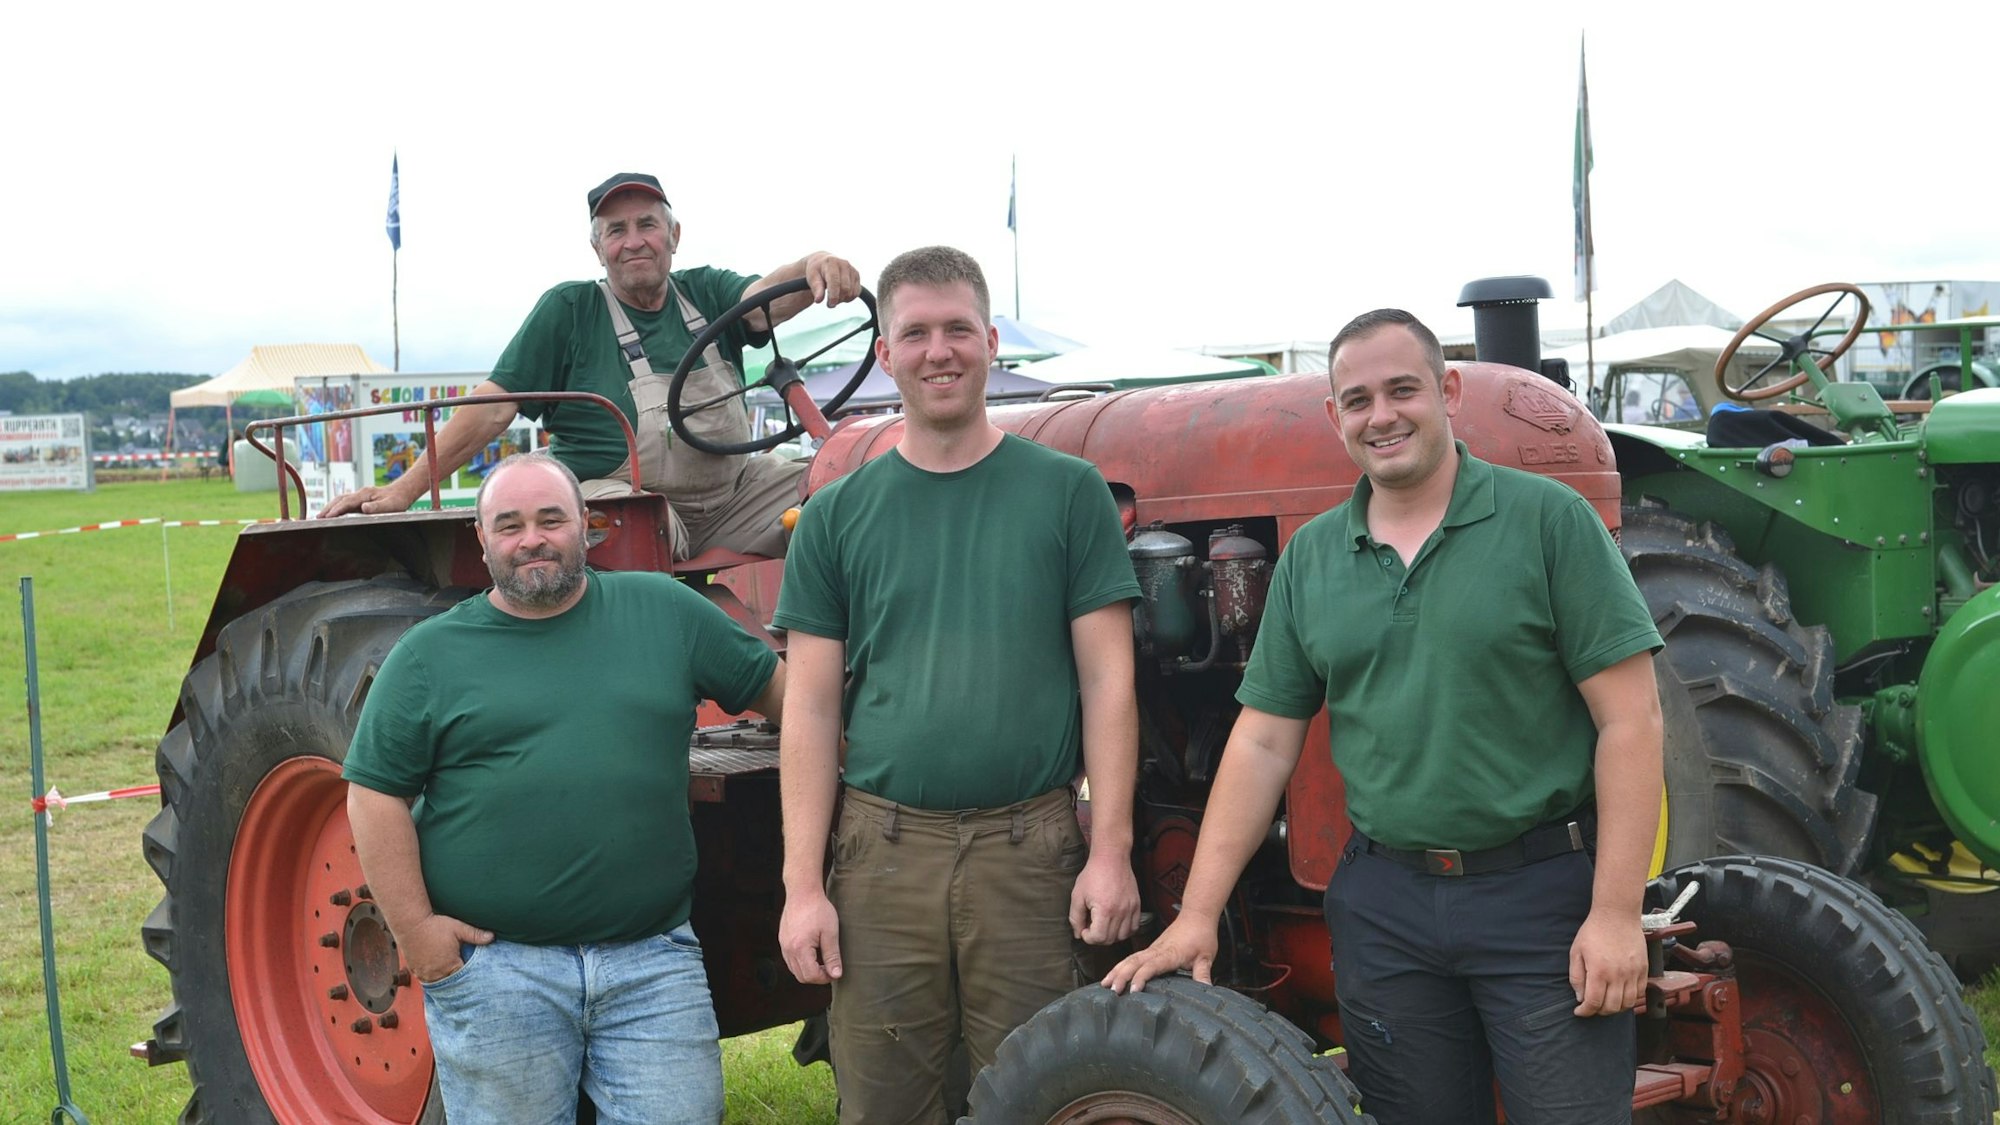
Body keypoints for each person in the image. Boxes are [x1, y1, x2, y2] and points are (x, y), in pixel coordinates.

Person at [1105, 309, 1665, 1124]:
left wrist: (1615, 914)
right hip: (1386, 903)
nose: (1382, 416)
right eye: (1359, 400)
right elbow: (1263, 742)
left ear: (1448, 390)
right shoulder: (1312, 556)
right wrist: (1195, 916)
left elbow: (1633, 720)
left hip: (1538, 896)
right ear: (1334, 415)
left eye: (1403, 390)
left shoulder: (1549, 522)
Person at [774, 246, 1143, 1124]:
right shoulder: (836, 515)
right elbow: (812, 708)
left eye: (957, 330)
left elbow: (1109, 681)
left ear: (989, 341)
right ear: (886, 353)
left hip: (1029, 849)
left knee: (1037, 1094)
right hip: (883, 854)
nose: (937, 351)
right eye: (915, 333)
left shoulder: (1068, 493)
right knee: (885, 1101)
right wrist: (802, 886)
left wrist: (1111, 849)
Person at [343, 450, 784, 1124]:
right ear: (482, 539)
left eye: (551, 520)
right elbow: (374, 795)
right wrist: (419, 934)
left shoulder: (665, 611)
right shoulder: (429, 655)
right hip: (498, 972)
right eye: (510, 525)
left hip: (651, 964)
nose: (532, 540)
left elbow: (790, 698)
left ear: (587, 525)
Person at [322, 171, 861, 559]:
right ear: (597, 247)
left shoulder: (705, 292)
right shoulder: (571, 310)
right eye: (616, 230)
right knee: (622, 521)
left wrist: (814, 266)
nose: (634, 242)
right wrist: (404, 490)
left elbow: (766, 300)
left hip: (735, 497)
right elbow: (493, 408)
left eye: (647, 225)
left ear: (674, 236)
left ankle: (834, 640)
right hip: (631, 504)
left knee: (842, 491)